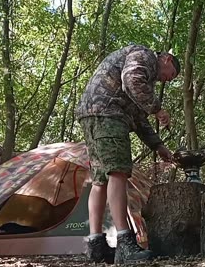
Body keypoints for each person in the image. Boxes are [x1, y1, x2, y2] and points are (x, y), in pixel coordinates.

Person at [75, 45, 181, 264]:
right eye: (170, 75)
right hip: (109, 114)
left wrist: (159, 146)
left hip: (93, 113)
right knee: (117, 173)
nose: (167, 80)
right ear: (168, 60)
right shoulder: (144, 56)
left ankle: (96, 246)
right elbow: (131, 80)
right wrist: (157, 108)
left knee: (100, 180)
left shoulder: (145, 78)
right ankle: (125, 243)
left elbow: (140, 120)